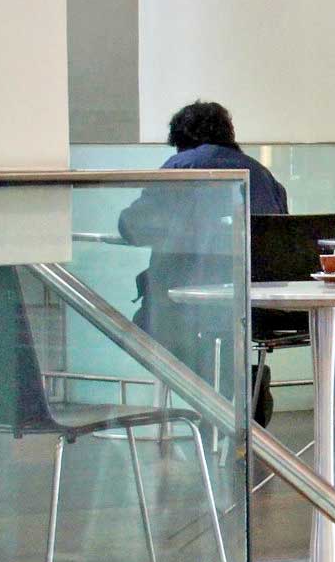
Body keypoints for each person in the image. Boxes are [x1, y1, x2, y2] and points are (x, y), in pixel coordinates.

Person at [118, 100, 289, 418]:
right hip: (256, 304)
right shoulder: (262, 173)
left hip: (187, 296)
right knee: (216, 339)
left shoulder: (181, 167)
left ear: (180, 138)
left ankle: (227, 387)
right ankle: (238, 384)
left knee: (142, 330)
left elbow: (135, 226)